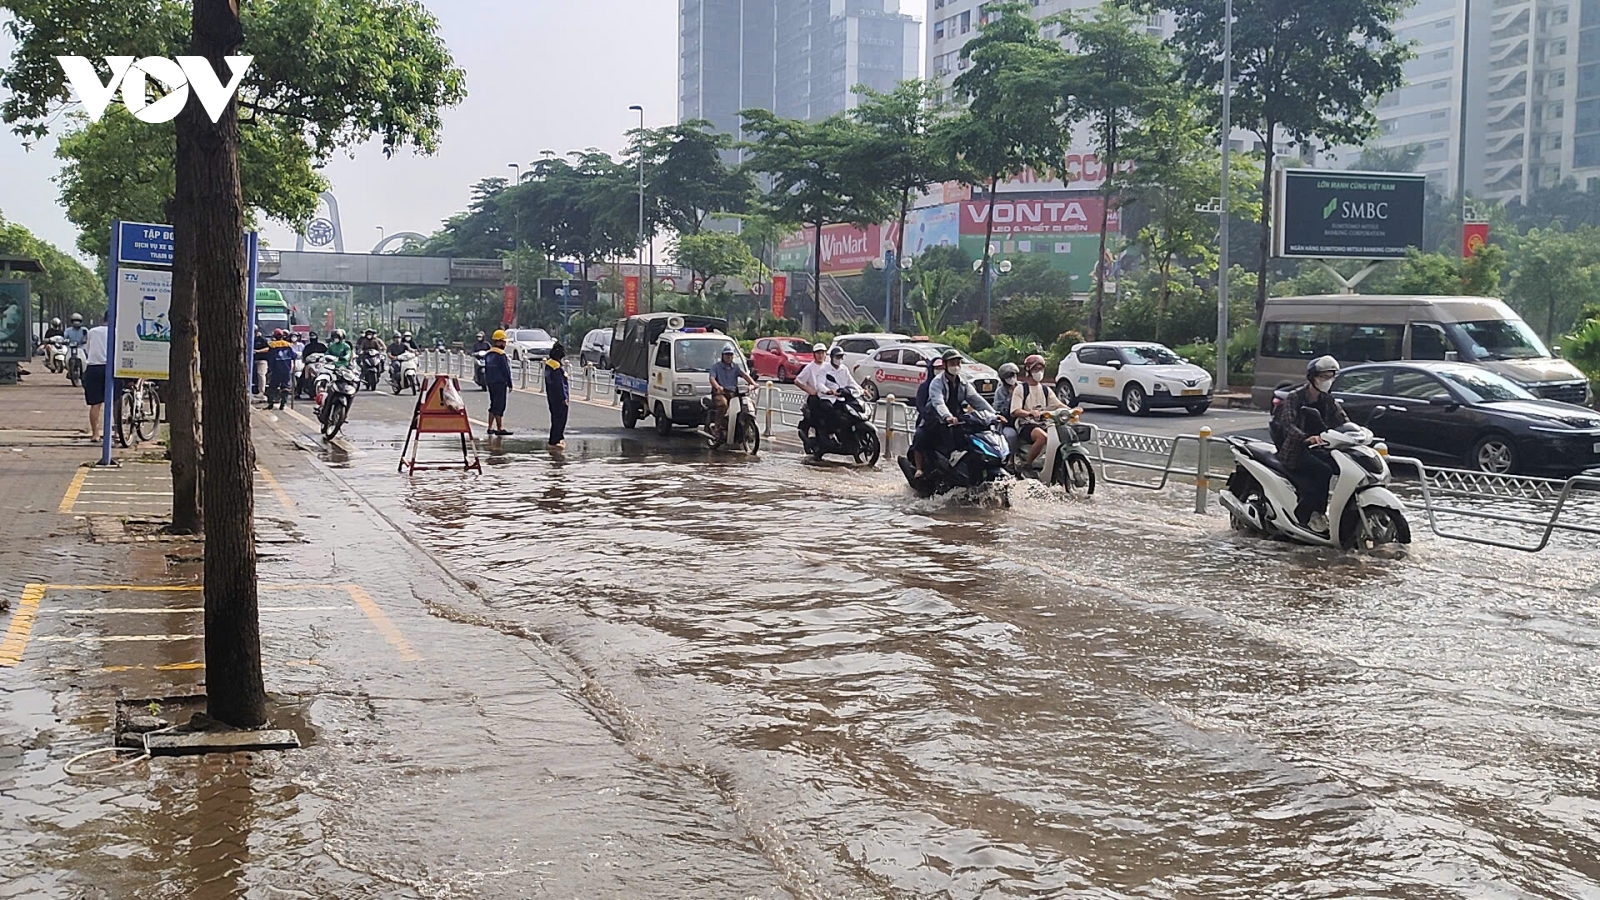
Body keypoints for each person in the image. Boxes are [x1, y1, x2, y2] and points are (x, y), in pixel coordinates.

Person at [1273, 355, 1349, 532]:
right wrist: (1306, 437)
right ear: (1312, 377)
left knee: (1342, 469)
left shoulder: (1328, 399)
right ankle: (1313, 514)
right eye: (1323, 377)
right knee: (1323, 471)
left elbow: (1343, 421)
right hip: (1296, 449)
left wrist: (1356, 434)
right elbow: (1288, 424)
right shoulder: (1295, 397)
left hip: (1322, 448)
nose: (1327, 381)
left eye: (1330, 377)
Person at [927, 348, 994, 461]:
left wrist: (993, 414)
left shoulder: (963, 382)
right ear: (944, 364)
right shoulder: (937, 382)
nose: (956, 366)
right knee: (924, 437)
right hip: (938, 418)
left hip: (958, 417)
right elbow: (938, 402)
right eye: (952, 363)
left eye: (958, 363)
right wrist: (947, 416)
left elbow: (976, 400)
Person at [1009, 354, 1070, 466]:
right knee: (1042, 437)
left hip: (1044, 422)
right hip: (1026, 424)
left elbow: (1057, 404)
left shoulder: (1046, 389)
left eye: (1041, 369)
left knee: (1063, 435)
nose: (1039, 371)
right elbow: (1015, 411)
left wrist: (1071, 411)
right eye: (1036, 369)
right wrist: (1029, 413)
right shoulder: (1021, 389)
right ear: (1028, 370)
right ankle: (1028, 465)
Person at [709, 343, 758, 442]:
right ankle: (717, 428)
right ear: (722, 356)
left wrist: (753, 383)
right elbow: (712, 378)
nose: (729, 357)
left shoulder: (735, 367)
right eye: (727, 355)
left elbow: (744, 375)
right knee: (723, 404)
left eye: (731, 355)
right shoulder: (716, 367)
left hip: (733, 393)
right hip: (720, 393)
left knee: (751, 404)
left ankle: (746, 427)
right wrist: (718, 387)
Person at [808, 346, 860, 439]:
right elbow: (820, 384)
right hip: (827, 398)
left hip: (842, 397)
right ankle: (829, 433)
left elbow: (852, 382)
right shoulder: (824, 369)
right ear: (832, 357)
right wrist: (828, 391)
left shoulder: (844, 369)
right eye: (837, 357)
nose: (839, 359)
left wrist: (862, 390)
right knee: (832, 412)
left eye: (841, 357)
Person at [909, 356, 944, 479]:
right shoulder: (925, 386)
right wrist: (928, 417)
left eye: (942, 368)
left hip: (946, 422)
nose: (940, 370)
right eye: (937, 368)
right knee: (920, 436)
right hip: (928, 421)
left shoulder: (952, 384)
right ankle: (919, 468)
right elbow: (920, 405)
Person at [83, 311, 109, 442]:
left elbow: (88, 350)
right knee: (116, 401)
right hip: (110, 368)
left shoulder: (92, 331)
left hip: (93, 367)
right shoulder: (117, 331)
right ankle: (115, 432)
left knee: (95, 404)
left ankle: (96, 434)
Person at [794, 343, 828, 440]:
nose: (820, 355)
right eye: (818, 353)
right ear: (814, 354)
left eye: (822, 353)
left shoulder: (828, 366)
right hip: (815, 398)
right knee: (818, 417)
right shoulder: (809, 368)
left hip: (827, 396)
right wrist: (811, 391)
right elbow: (797, 381)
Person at [484, 329, 513, 436]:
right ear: (499, 342)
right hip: (500, 383)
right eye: (504, 341)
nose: (505, 344)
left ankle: (490, 427)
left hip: (491, 382)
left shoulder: (488, 354)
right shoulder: (501, 355)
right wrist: (510, 383)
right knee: (500, 405)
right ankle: (500, 428)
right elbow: (505, 370)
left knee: (493, 404)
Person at [545, 342, 570, 448]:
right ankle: (556, 439)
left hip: (551, 396)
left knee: (555, 418)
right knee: (560, 419)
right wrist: (564, 398)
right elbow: (559, 384)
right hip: (558, 397)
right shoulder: (556, 366)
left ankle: (555, 438)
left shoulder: (549, 364)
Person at [264, 329, 296, 409]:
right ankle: (283, 404)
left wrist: (270, 369)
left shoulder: (272, 345)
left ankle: (271, 403)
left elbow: (269, 357)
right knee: (285, 387)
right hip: (286, 369)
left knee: (272, 387)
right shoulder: (288, 345)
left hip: (276, 370)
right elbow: (294, 356)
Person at [993, 362, 1020, 449]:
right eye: (1009, 376)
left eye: (1013, 375)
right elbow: (998, 409)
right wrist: (1010, 398)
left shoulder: (1022, 387)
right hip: (1008, 423)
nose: (1012, 378)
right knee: (1011, 435)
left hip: (1022, 420)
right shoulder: (1000, 391)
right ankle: (1011, 458)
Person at [252, 327, 270, 395]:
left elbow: (268, 348)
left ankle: (261, 392)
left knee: (261, 374)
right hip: (251, 360)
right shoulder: (249, 338)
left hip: (262, 360)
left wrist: (258, 351)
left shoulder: (262, 339)